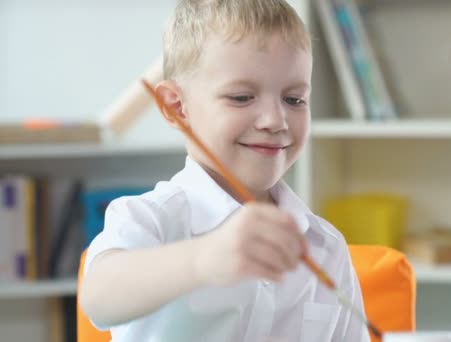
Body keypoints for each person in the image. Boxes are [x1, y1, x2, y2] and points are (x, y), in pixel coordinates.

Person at [80, 1, 370, 341]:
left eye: (294, 100)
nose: (275, 121)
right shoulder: (149, 219)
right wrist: (203, 259)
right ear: (177, 108)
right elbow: (98, 296)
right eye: (242, 97)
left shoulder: (327, 247)